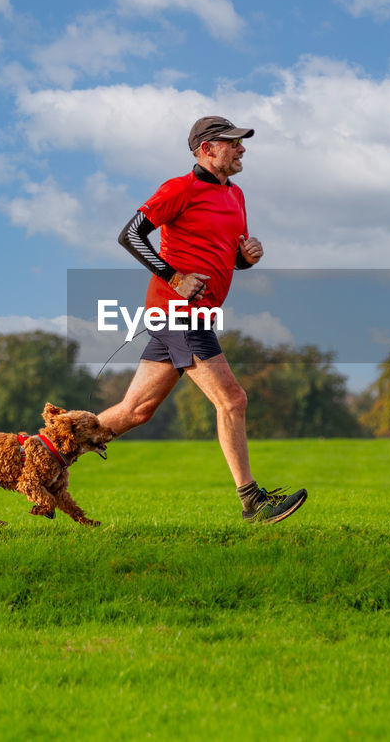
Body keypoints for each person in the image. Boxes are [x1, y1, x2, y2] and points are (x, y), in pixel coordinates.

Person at [98, 115, 307, 524]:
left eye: (242, 142)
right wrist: (173, 277)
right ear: (206, 149)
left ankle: (42, 453)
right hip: (178, 314)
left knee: (135, 411)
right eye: (233, 143)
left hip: (198, 315)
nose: (242, 148)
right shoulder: (180, 188)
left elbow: (225, 258)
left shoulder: (237, 196)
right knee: (233, 399)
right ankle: (252, 501)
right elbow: (131, 235)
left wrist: (244, 260)